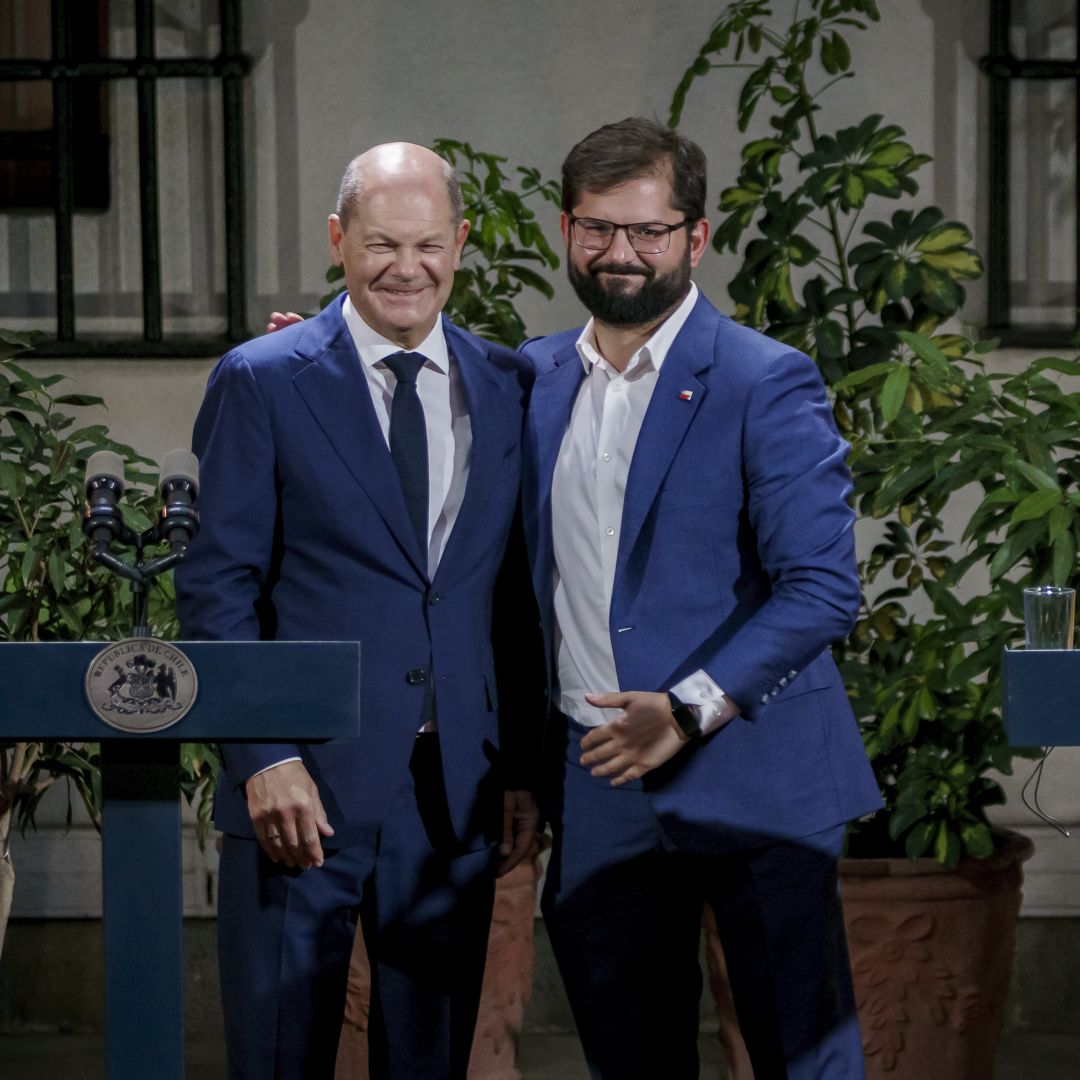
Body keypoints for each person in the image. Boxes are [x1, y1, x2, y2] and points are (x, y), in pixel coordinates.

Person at [518, 118, 883, 1080]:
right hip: (599, 780)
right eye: (598, 228)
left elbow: (822, 589)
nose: (620, 253)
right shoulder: (535, 378)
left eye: (647, 230)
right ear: (567, 229)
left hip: (756, 771)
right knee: (627, 1057)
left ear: (696, 236)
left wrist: (687, 710)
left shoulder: (765, 380)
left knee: (801, 1058)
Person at [175, 142, 541, 1080]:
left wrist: (521, 768)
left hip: (452, 791)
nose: (406, 268)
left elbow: (511, 594)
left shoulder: (508, 385)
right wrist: (264, 756)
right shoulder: (263, 378)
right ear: (339, 240)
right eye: (382, 243)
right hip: (302, 793)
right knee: (278, 1059)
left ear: (460, 244)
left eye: (427, 245)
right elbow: (217, 588)